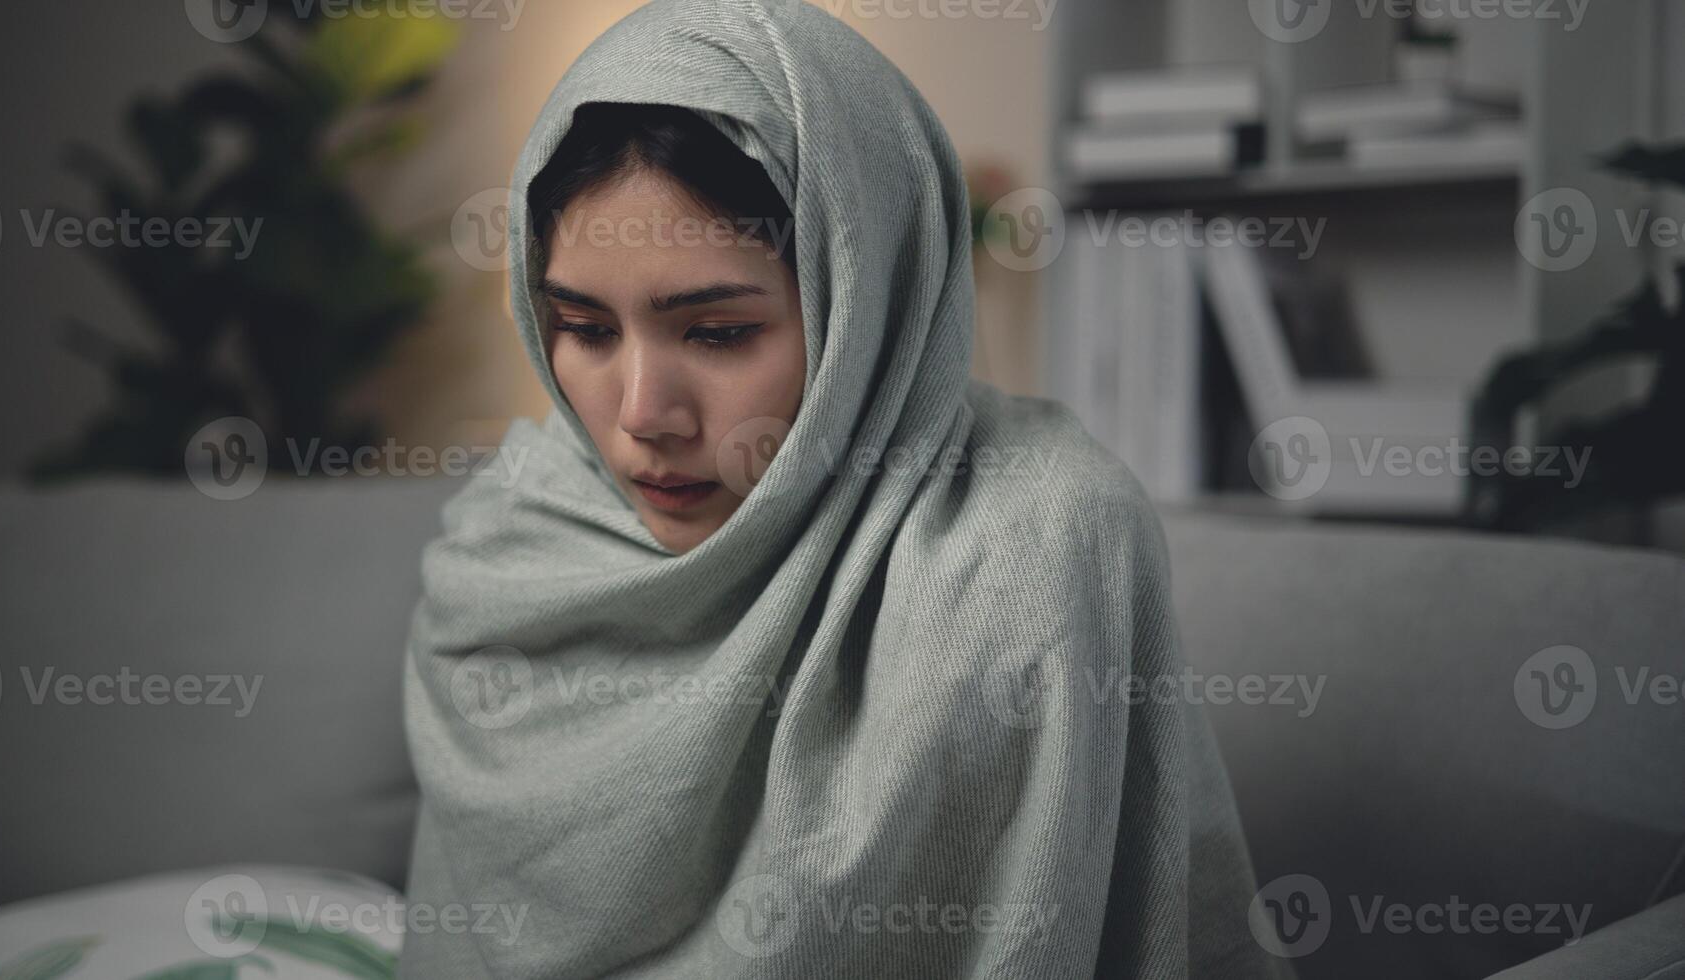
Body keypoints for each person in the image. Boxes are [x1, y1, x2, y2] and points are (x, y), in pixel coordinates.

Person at [399, 1, 1294, 976]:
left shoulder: (1035, 535)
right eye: (585, 327)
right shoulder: (508, 546)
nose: (642, 413)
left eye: (716, 331)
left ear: (865, 297)